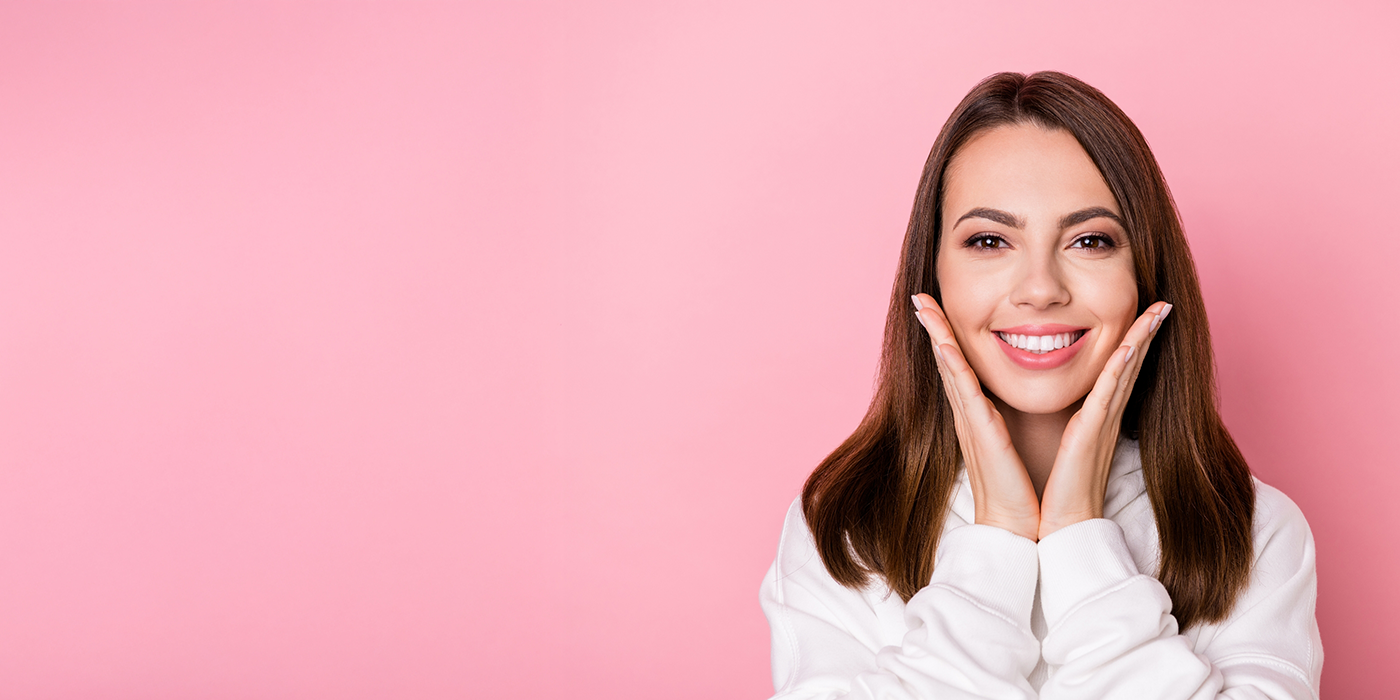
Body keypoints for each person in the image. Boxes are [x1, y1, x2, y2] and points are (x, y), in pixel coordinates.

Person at [759, 71, 1322, 699]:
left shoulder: (1251, 531)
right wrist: (998, 537)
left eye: (1090, 240)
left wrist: (1079, 534)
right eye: (989, 240)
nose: (1040, 289)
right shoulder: (841, 528)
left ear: (1145, 275)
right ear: (933, 273)